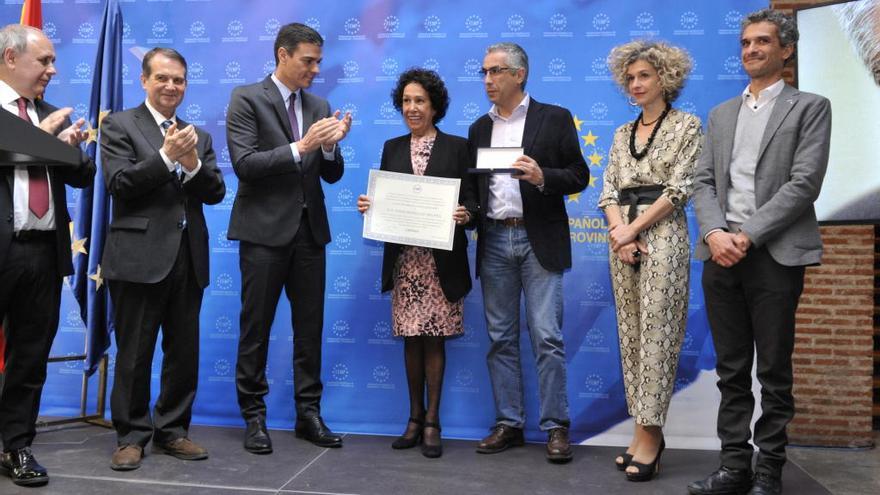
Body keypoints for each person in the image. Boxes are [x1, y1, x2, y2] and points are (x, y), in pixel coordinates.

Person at [688, 9, 831, 495]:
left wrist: (746, 235)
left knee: (772, 370)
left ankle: (768, 471)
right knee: (731, 370)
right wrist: (713, 234)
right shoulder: (721, 114)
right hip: (720, 253)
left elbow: (803, 184)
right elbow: (703, 182)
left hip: (773, 255)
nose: (751, 50)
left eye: (762, 42)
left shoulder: (810, 107)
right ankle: (734, 467)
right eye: (746, 42)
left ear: (785, 50)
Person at [226, 22, 351, 454]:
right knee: (255, 328)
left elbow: (331, 175)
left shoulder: (320, 104)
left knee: (309, 329)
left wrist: (332, 146)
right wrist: (302, 146)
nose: (315, 69)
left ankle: (308, 414)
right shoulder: (246, 98)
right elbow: (245, 164)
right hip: (262, 233)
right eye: (308, 61)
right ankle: (254, 417)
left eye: (319, 61)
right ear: (283, 55)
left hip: (310, 233)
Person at [99, 47, 225, 471]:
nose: (172, 86)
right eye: (163, 79)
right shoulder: (119, 125)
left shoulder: (198, 136)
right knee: (134, 353)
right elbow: (120, 184)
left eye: (179, 80)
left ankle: (173, 431)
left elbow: (215, 192)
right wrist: (167, 157)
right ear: (144, 81)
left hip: (188, 259)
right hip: (138, 259)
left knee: (183, 353)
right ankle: (132, 436)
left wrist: (191, 163)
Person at [468, 42, 589, 463]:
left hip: (539, 239)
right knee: (500, 338)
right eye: (484, 72)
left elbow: (579, 175)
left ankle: (556, 427)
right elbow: (476, 191)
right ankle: (508, 423)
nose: (488, 80)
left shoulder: (553, 118)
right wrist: (467, 213)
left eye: (496, 71)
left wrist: (542, 177)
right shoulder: (478, 129)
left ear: (519, 74)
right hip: (495, 241)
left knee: (547, 337)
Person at [357, 68, 476, 459]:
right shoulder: (392, 147)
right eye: (406, 101)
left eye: (419, 101)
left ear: (435, 105)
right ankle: (412, 417)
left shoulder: (458, 147)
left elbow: (475, 201)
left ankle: (433, 422)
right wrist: (371, 207)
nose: (412, 108)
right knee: (410, 338)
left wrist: (466, 214)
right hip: (407, 262)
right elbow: (389, 200)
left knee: (435, 339)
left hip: (442, 262)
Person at [599, 40, 702, 482]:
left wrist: (634, 230)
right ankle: (640, 430)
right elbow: (607, 190)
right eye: (631, 77)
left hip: (662, 238)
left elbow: (679, 189)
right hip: (622, 240)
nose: (636, 84)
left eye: (644, 75)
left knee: (658, 339)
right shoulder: (622, 134)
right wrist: (620, 234)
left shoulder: (687, 126)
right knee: (632, 337)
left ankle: (651, 437)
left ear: (665, 78)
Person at [0, 24, 95, 487]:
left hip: (41, 252)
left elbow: (85, 174)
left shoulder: (54, 113)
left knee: (30, 355)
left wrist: (70, 151)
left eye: (53, 61)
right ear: (10, 59)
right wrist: (40, 138)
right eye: (44, 61)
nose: (53, 70)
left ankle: (15, 445)